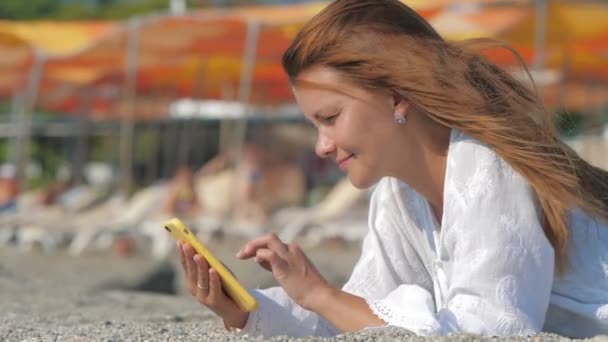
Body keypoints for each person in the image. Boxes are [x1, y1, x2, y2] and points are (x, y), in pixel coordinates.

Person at [176, 0, 608, 338]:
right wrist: (246, 309)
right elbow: (360, 313)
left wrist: (319, 294)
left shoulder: (487, 166)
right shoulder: (400, 193)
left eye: (330, 118)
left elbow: (489, 330)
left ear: (397, 98)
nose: (322, 146)